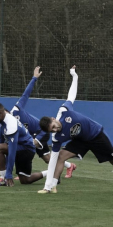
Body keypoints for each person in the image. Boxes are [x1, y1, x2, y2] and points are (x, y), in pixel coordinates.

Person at [38, 66, 113, 194]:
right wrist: (47, 186)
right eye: (52, 130)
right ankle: (53, 186)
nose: (55, 129)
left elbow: (71, 95)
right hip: (81, 141)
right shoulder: (57, 138)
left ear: (53, 119)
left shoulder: (64, 111)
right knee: (60, 156)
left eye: (54, 126)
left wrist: (74, 76)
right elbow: (52, 161)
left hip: (96, 135)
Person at [10, 66, 76, 180]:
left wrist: (34, 78)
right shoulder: (8, 125)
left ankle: (24, 173)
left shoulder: (16, 109)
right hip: (32, 135)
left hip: (41, 132)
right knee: (46, 158)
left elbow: (26, 94)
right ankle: (70, 166)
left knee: (27, 147)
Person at [0, 102, 47, 187]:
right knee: (25, 180)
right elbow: (0, 140)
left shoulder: (11, 123)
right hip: (23, 148)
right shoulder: (2, 121)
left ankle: (3, 178)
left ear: (1, 113)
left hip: (27, 149)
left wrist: (8, 174)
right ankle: (50, 173)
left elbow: (12, 151)